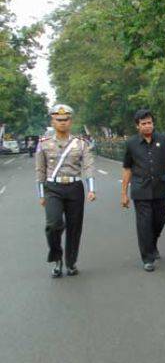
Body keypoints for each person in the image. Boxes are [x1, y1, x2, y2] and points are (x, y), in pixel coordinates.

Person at [35, 104, 96, 278]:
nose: (62, 122)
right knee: (53, 224)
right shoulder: (43, 144)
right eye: (58, 119)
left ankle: (70, 263)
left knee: (75, 227)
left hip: (75, 187)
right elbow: (40, 169)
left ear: (71, 121)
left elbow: (88, 165)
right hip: (53, 188)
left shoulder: (81, 143)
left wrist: (91, 189)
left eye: (65, 119)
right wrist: (41, 194)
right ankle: (57, 258)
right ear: (52, 121)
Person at [121, 109, 165, 272]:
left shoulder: (163, 140)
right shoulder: (131, 143)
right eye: (143, 124)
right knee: (144, 224)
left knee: (160, 219)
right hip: (141, 189)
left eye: (149, 123)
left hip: (160, 188)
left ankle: (152, 243)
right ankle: (147, 257)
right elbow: (127, 169)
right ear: (137, 126)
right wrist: (124, 193)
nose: (147, 126)